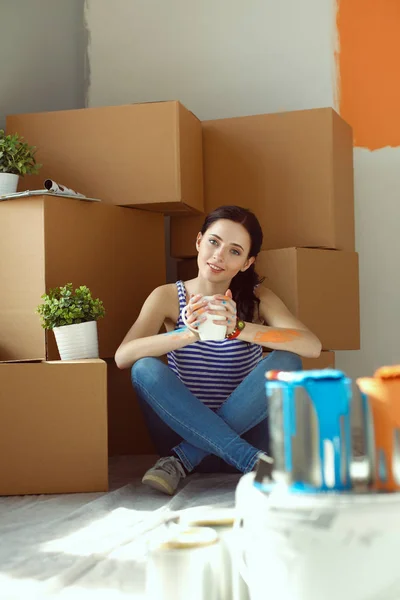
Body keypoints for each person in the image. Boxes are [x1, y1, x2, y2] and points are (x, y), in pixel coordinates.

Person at [115, 205, 321, 495]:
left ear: (247, 263)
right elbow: (124, 357)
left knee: (287, 358)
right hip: (183, 432)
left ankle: (185, 459)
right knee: (144, 368)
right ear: (199, 241)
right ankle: (249, 462)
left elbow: (310, 346)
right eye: (214, 242)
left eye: (234, 251)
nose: (219, 256)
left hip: (242, 437)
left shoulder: (257, 299)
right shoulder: (167, 296)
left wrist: (237, 329)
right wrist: (186, 335)